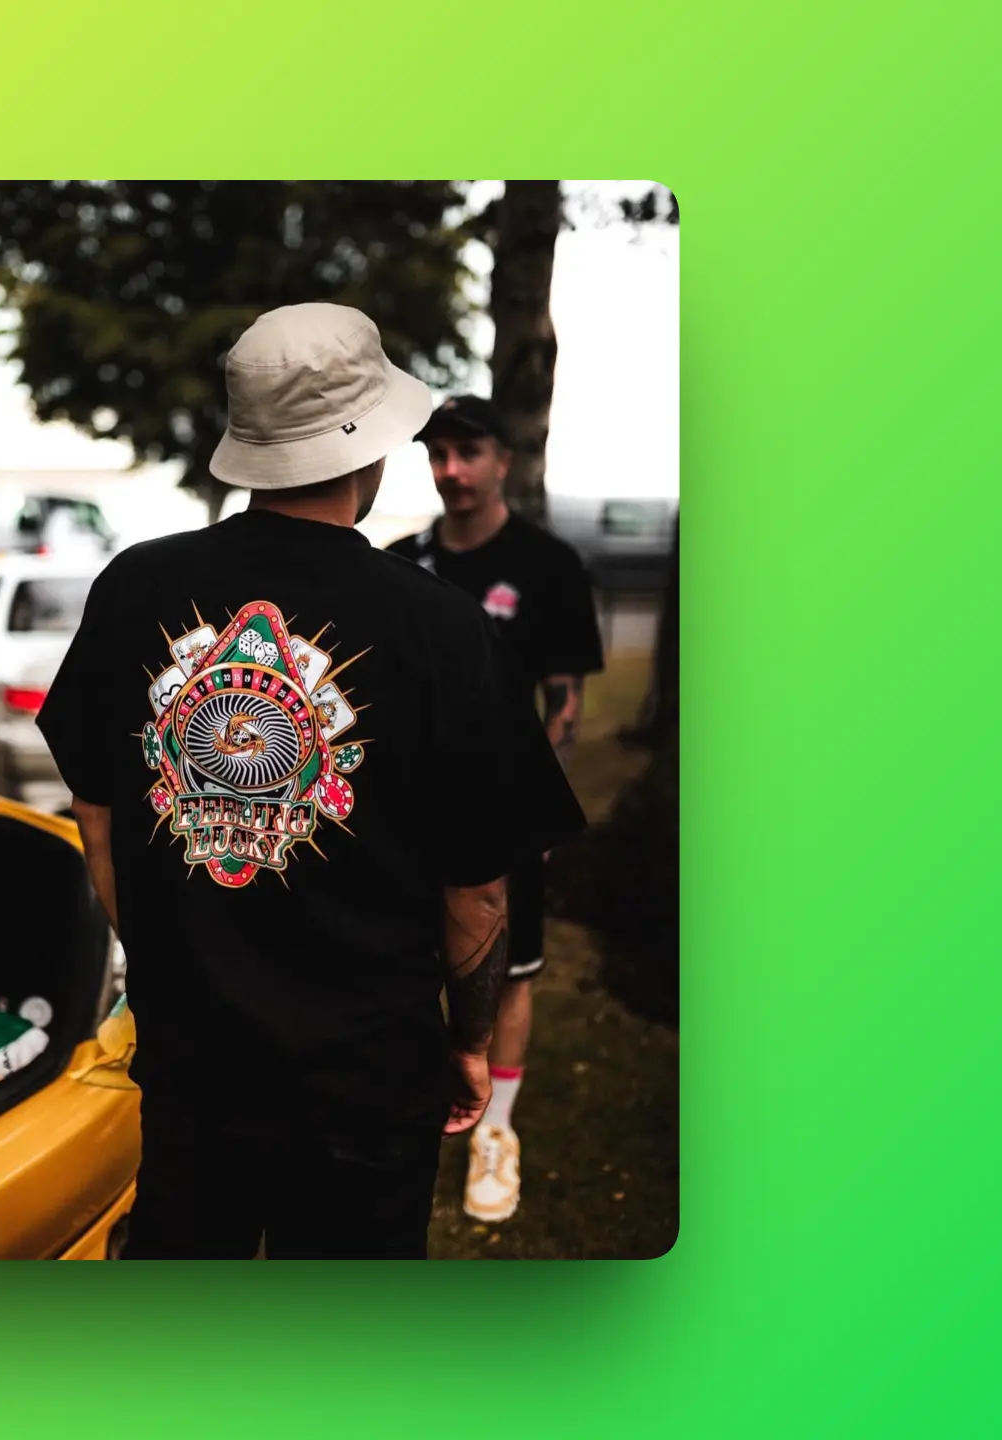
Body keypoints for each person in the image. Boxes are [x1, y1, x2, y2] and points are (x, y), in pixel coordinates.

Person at [36, 305, 582, 1259]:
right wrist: (467, 1041)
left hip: (191, 1072)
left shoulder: (132, 588)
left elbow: (97, 812)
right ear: (371, 446)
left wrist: (173, 969)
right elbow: (481, 892)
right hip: (369, 1086)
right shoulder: (445, 629)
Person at [386, 395, 606, 1224]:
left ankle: (496, 1130)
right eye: (437, 454)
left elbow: (564, 700)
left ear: (503, 461)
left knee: (508, 972)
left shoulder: (548, 566)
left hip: (503, 817)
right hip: (408, 821)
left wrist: (532, 814)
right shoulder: (402, 565)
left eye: (468, 452)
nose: (451, 470)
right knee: (410, 961)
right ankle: (408, 1107)